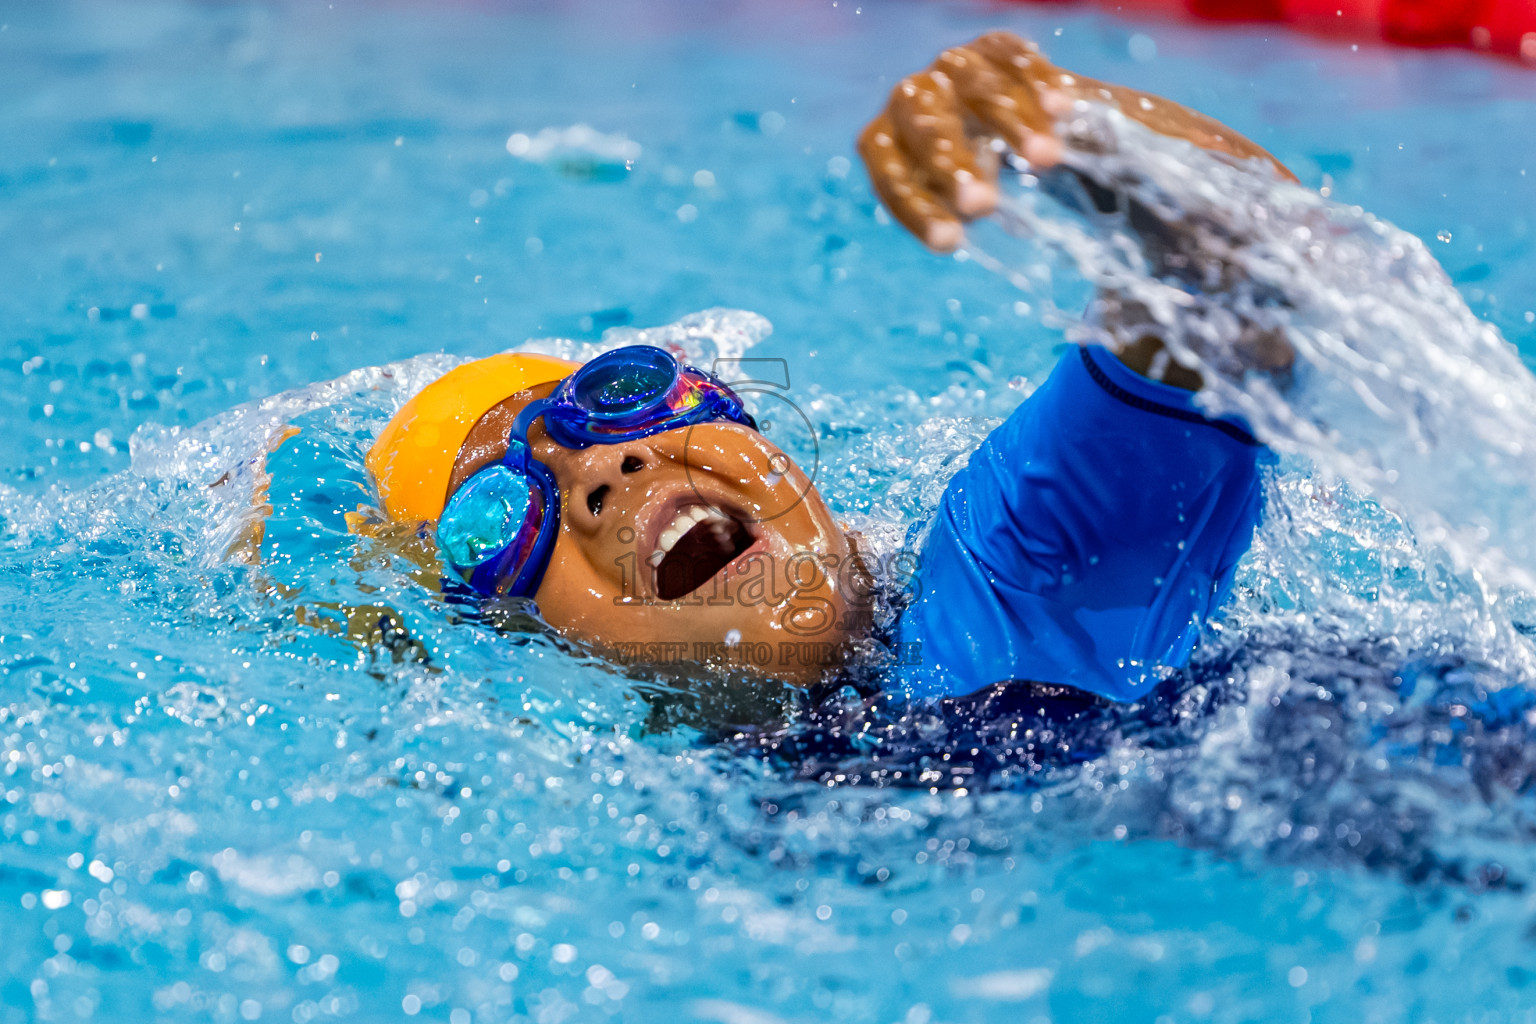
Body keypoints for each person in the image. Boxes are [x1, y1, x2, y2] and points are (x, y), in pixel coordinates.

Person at [358, 31, 1299, 707]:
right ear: (526, 645)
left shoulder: (1010, 575)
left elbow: (1242, 287)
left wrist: (1073, 138)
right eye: (502, 513)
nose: (602, 472)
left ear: (738, 419)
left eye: (615, 402)